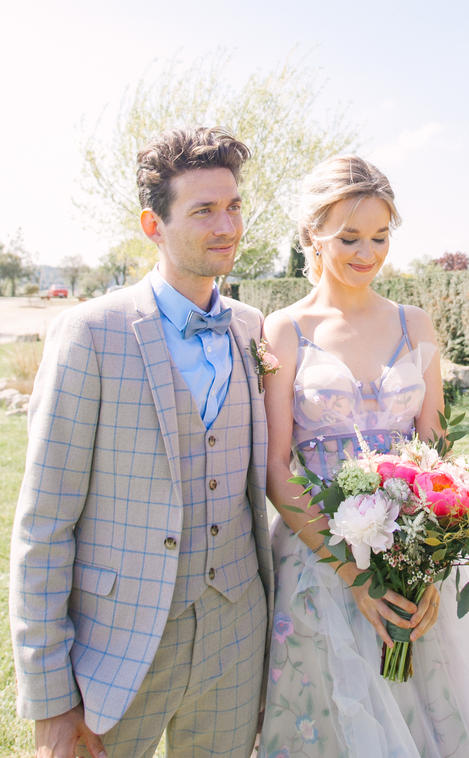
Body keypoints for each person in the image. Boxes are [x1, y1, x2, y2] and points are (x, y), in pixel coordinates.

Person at [258, 155, 469, 758]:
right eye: (349, 238)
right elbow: (276, 468)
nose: (366, 253)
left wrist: (426, 564)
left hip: (415, 556)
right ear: (312, 236)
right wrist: (354, 578)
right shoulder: (283, 330)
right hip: (319, 563)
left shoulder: (417, 324)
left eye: (379, 237)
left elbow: (436, 456)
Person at [10, 126, 273, 758]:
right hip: (114, 648)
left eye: (233, 205)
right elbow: (44, 523)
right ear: (153, 225)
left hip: (236, 631)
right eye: (203, 210)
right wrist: (50, 702)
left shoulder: (253, 328)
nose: (226, 225)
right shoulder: (89, 333)